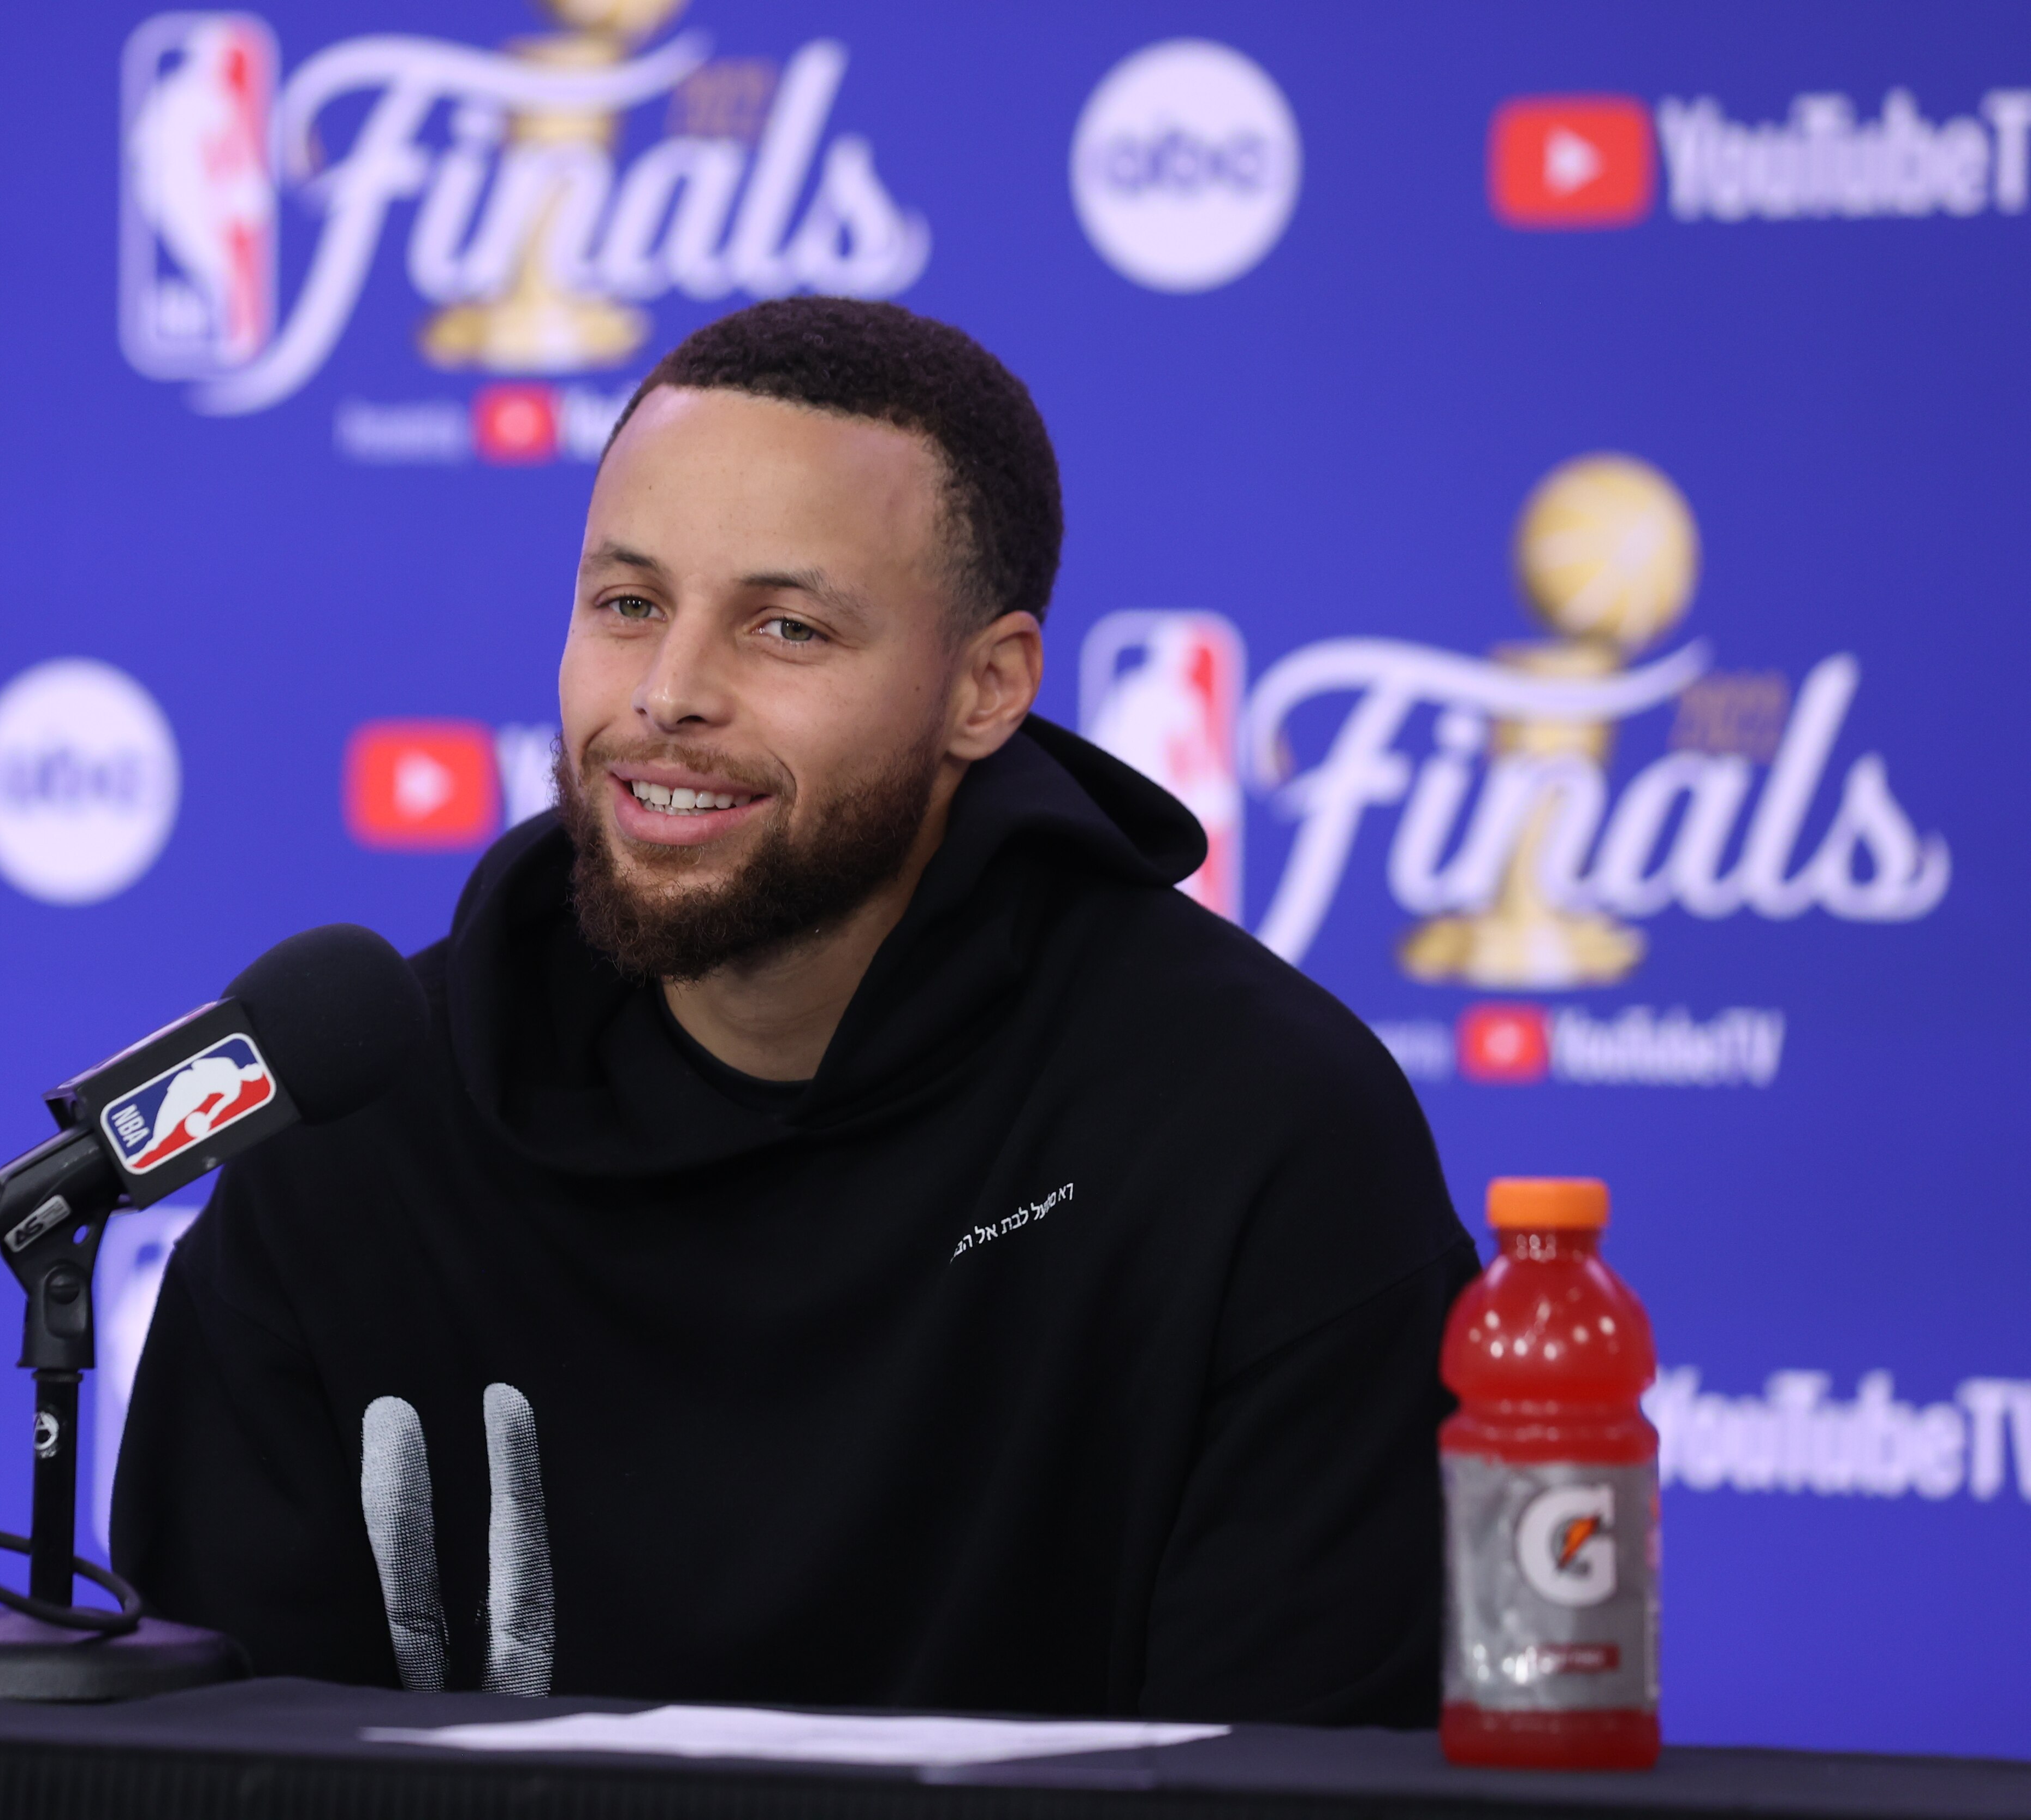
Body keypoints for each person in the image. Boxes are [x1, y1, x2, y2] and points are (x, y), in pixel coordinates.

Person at [114, 297, 1476, 1723]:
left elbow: (1289, 1781)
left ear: (987, 688)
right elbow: (220, 1761)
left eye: (786, 626)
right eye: (628, 604)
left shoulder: (1254, 1134)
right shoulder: (360, 1122)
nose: (668, 695)